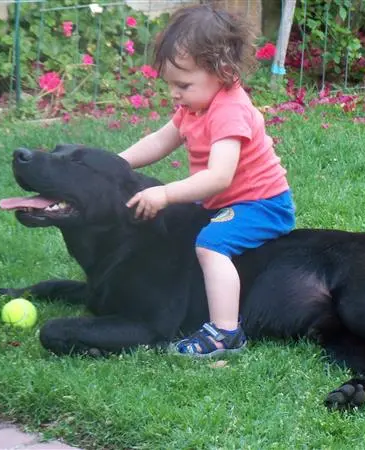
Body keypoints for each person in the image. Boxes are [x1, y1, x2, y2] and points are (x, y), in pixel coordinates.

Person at [120, 4, 295, 357]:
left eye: (183, 84)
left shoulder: (229, 110)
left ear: (224, 72)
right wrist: (115, 164)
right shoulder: (193, 106)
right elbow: (160, 140)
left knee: (211, 244)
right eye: (170, 84)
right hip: (226, 200)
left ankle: (225, 333)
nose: (174, 94)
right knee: (181, 228)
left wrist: (166, 193)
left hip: (260, 205)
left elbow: (218, 177)